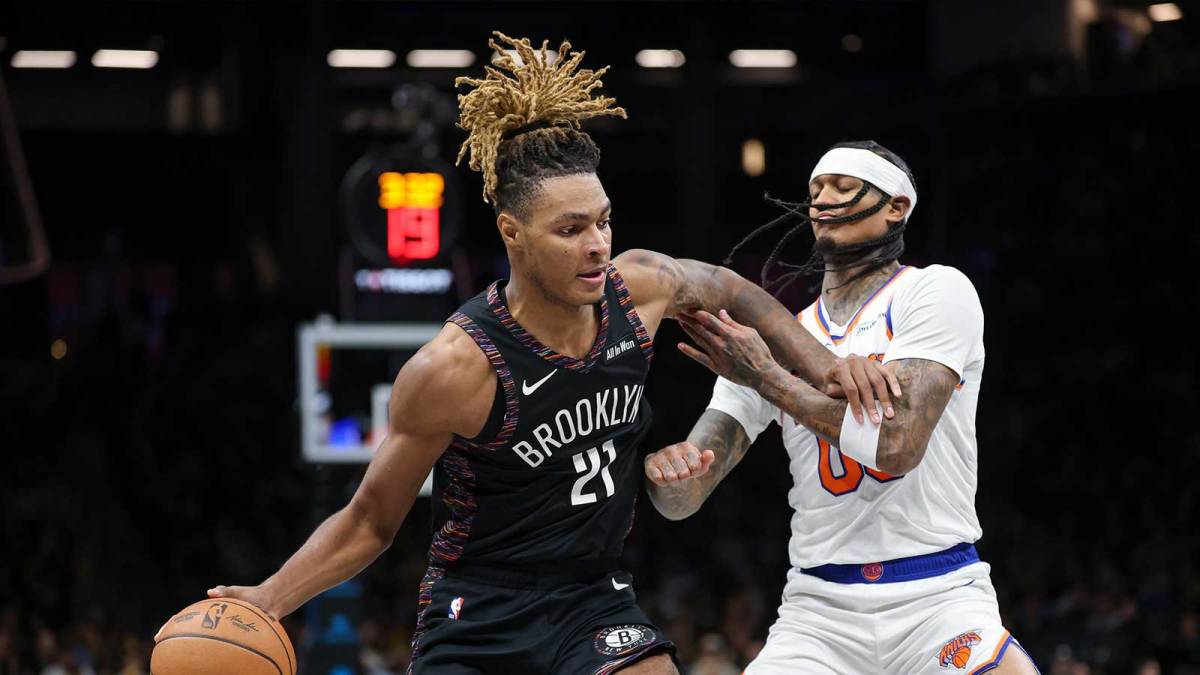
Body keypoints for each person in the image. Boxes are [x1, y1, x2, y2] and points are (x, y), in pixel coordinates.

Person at [187, 35, 897, 675]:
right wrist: (270, 596)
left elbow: (733, 288)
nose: (597, 243)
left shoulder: (638, 292)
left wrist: (826, 365)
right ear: (512, 233)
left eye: (603, 220)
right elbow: (372, 518)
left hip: (592, 597)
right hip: (479, 613)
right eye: (570, 228)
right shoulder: (455, 369)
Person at [644, 141, 1042, 673]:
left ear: (897, 206)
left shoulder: (936, 292)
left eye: (843, 186)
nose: (823, 199)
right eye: (814, 191)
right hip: (818, 611)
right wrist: (667, 475)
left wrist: (765, 378)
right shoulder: (773, 339)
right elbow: (682, 502)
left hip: (937, 597)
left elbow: (896, 445)